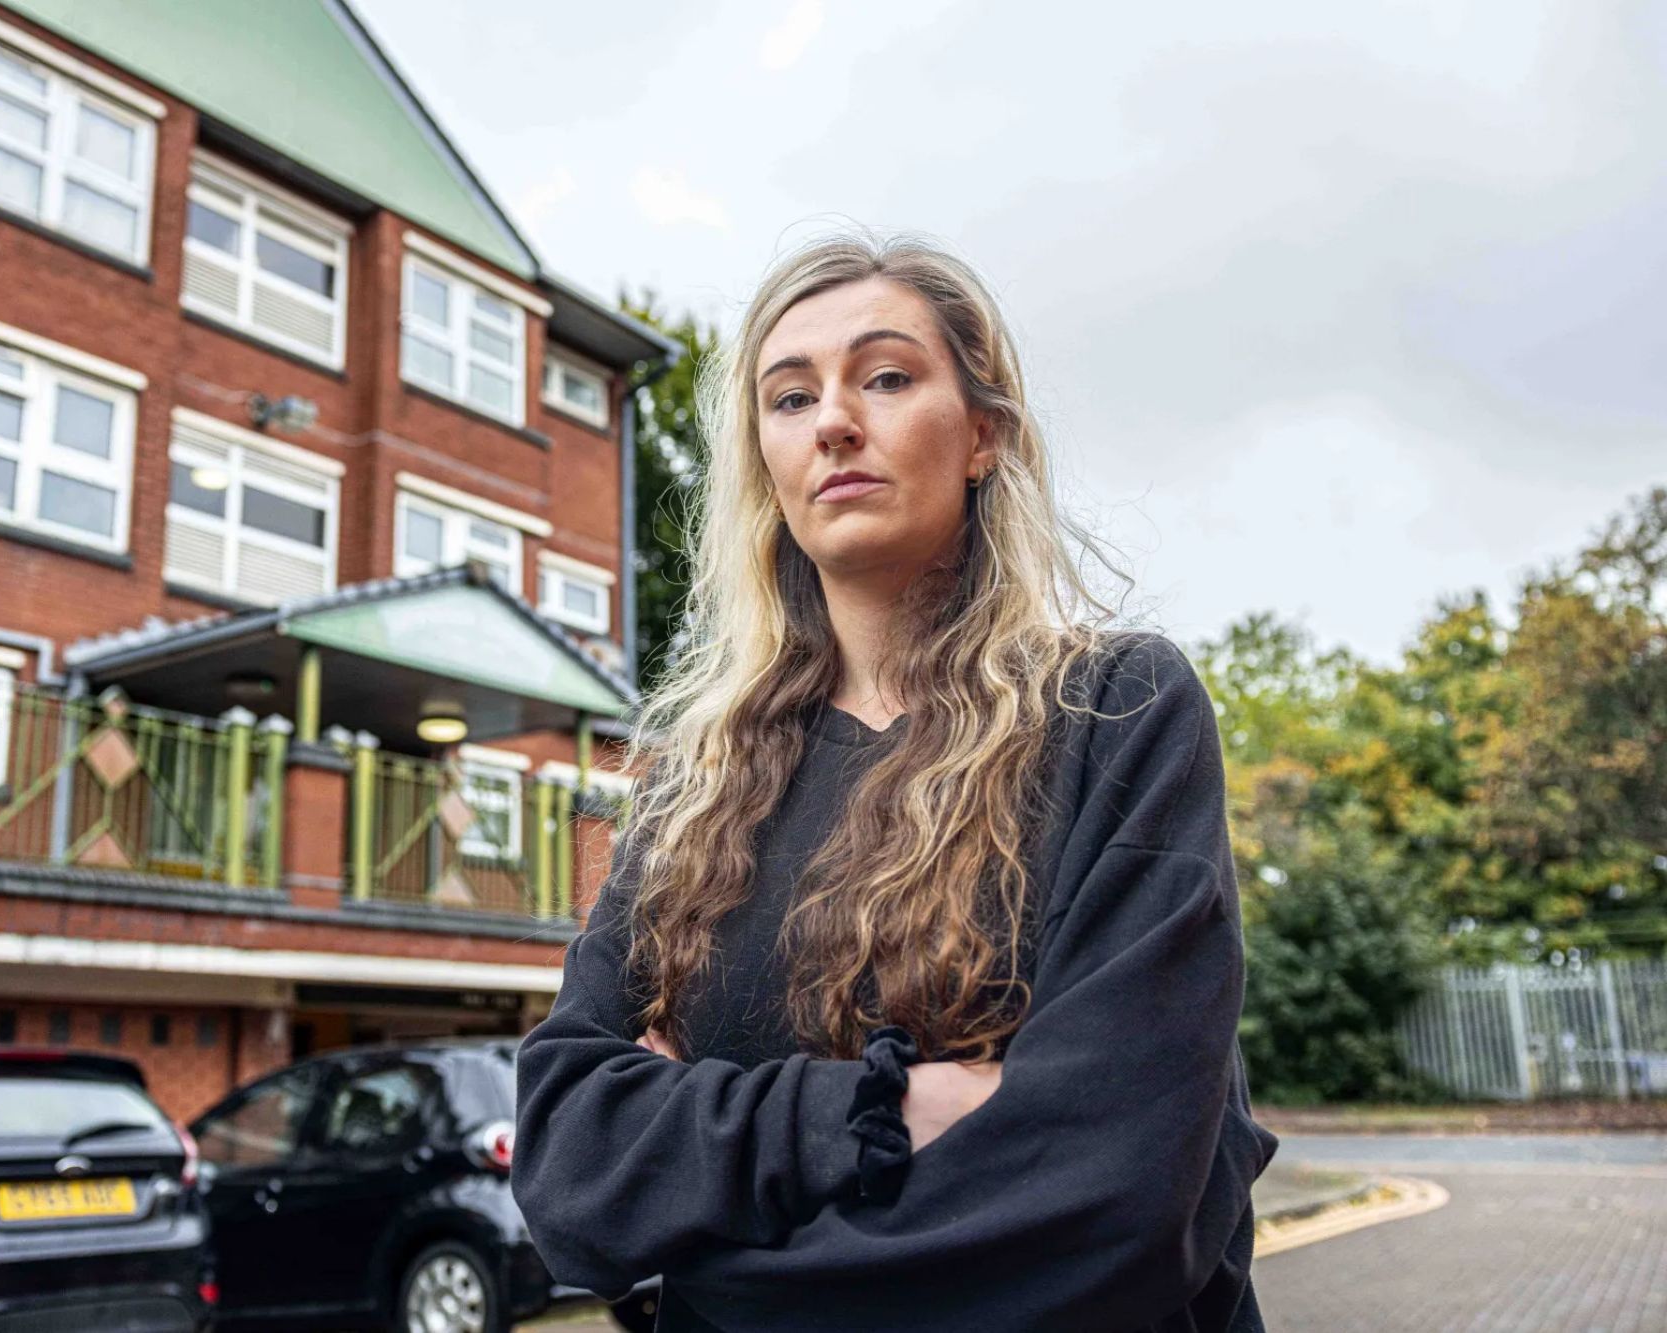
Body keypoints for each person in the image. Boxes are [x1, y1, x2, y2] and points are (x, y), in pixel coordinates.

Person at [511, 228, 1279, 1332]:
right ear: (763, 465)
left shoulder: (1114, 711)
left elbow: (1114, 1198)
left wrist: (701, 1262)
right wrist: (874, 1109)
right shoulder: (694, 783)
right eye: (788, 396)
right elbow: (567, 1160)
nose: (832, 420)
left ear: (981, 434)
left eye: (883, 377)